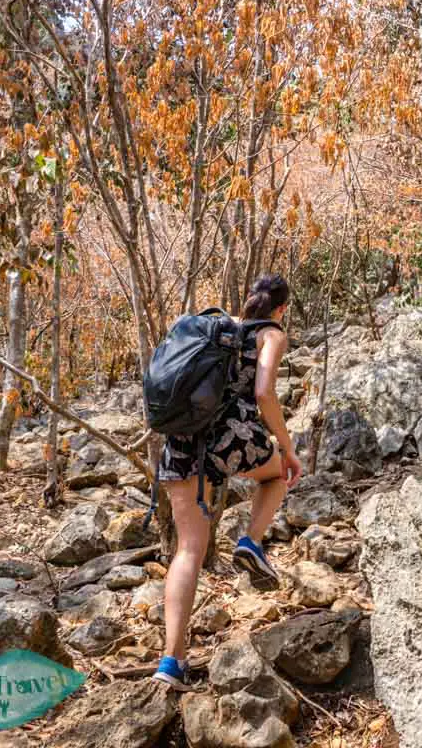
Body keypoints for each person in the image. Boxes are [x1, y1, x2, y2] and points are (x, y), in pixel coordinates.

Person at [153, 274, 302, 690]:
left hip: (182, 440)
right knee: (277, 477)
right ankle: (250, 541)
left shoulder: (224, 327)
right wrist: (287, 448)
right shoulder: (271, 333)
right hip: (229, 436)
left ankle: (171, 663)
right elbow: (264, 393)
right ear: (280, 308)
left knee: (188, 550)